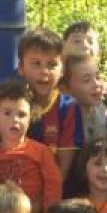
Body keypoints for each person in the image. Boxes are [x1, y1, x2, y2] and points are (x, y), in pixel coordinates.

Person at [0, 80, 63, 213]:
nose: (15, 120)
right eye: (7, 113)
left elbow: (53, 183)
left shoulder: (41, 152)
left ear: (30, 118)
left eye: (22, 114)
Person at [17, 28, 85, 176]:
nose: (44, 71)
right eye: (36, 63)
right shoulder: (12, 104)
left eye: (52, 64)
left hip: (56, 189)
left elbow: (63, 170)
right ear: (21, 67)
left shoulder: (68, 107)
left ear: (62, 70)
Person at [61, 53, 107, 145]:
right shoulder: (61, 121)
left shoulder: (101, 110)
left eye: (97, 77)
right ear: (66, 90)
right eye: (86, 80)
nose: (97, 84)